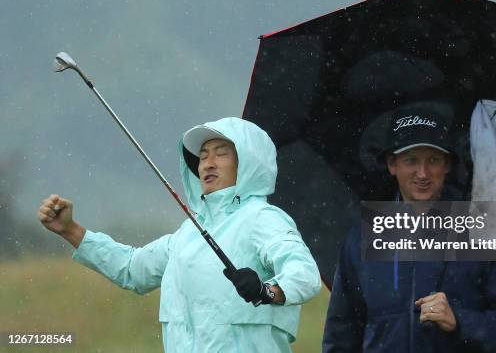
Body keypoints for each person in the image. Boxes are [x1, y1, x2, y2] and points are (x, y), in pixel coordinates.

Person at [37, 117, 321, 353]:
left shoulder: (262, 218)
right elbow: (132, 270)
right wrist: (72, 231)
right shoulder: (188, 234)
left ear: (248, 163)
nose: (208, 163)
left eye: (221, 153)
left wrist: (267, 291)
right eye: (203, 156)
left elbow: (304, 273)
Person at [322, 104, 496, 352]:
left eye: (433, 160)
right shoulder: (362, 236)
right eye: (411, 160)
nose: (423, 173)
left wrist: (459, 321)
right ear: (392, 164)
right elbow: (342, 333)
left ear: (447, 166)